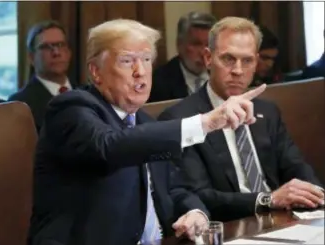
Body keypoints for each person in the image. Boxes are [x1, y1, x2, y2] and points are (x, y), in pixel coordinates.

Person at [28, 19, 267, 245]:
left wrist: (195, 213)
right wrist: (205, 123)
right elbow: (109, 146)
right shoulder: (70, 108)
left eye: (146, 59)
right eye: (127, 61)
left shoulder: (142, 120)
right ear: (96, 72)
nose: (140, 71)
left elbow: (174, 187)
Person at [159, 17, 324, 222]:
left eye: (247, 61)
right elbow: (199, 195)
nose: (238, 70)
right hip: (231, 226)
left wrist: (315, 194)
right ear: (208, 58)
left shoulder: (268, 112)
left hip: (281, 221)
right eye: (228, 59)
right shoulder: (182, 119)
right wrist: (267, 200)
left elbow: (296, 166)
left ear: (256, 61)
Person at [9, 20, 73, 132]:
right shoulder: (19, 104)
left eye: (61, 45)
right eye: (46, 47)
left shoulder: (87, 93)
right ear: (31, 57)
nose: (56, 52)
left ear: (68, 52)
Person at [149, 11, 217, 102]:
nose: (204, 52)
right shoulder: (158, 83)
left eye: (208, 44)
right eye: (196, 44)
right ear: (179, 44)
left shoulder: (222, 74)